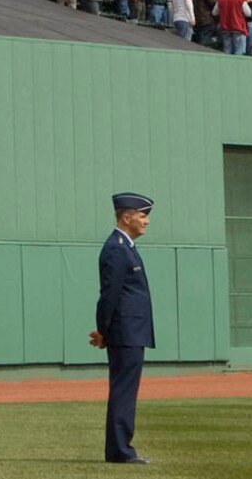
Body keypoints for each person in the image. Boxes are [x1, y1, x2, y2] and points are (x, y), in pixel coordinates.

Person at [89, 193, 156, 465]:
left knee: (125, 391)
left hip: (130, 331)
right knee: (123, 391)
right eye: (142, 216)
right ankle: (119, 451)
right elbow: (110, 294)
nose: (146, 221)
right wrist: (103, 330)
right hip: (125, 332)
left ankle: (120, 448)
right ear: (126, 217)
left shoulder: (125, 246)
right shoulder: (117, 248)